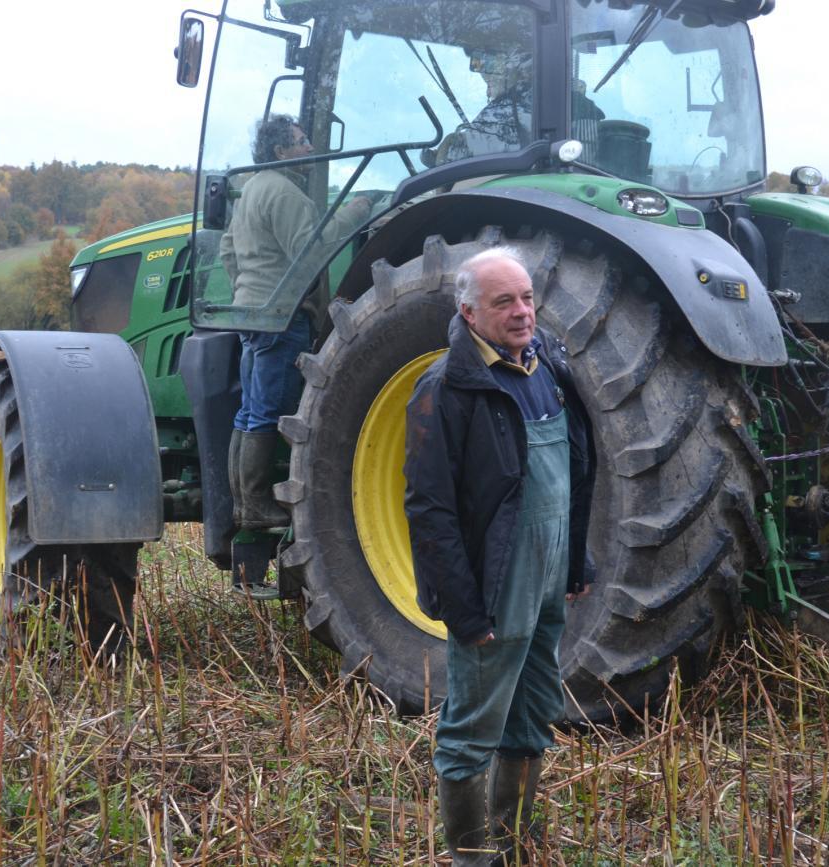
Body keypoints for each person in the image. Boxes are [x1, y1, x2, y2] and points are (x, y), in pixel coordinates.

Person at [403, 248, 596, 863]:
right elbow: (429, 510)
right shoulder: (447, 388)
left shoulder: (546, 369)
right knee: (472, 728)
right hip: (496, 585)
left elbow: (573, 476)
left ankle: (514, 847)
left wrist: (573, 566)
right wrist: (465, 609)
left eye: (527, 298)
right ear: (469, 312)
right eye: (503, 302)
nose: (521, 313)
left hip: (547, 577)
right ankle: (470, 857)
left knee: (534, 711)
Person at [219, 115, 371, 534]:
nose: (309, 148)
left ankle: (242, 503)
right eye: (301, 142)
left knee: (249, 409)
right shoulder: (284, 192)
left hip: (252, 313)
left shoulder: (250, 189)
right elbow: (312, 248)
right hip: (282, 316)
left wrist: (247, 291)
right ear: (279, 151)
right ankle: (254, 505)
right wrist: (356, 213)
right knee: (270, 411)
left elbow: (228, 252)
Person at [427, 48, 533, 166]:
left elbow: (476, 147)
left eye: (490, 63)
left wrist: (450, 146)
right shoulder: (520, 100)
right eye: (480, 64)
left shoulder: (517, 104)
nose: (485, 74)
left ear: (512, 65)